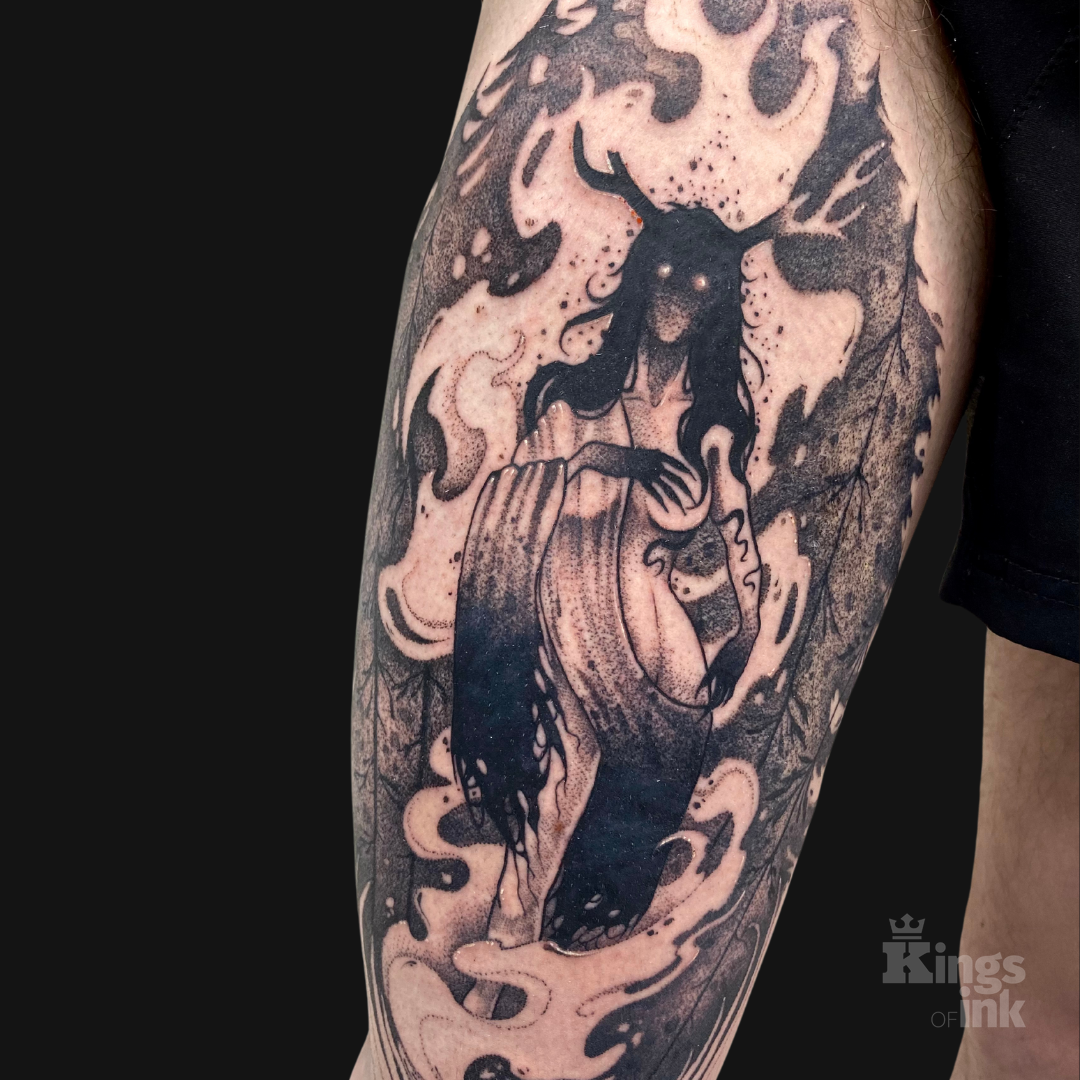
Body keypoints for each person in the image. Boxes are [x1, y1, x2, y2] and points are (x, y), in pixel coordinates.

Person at [352, 2, 1078, 1078]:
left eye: (703, 280)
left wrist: (718, 598)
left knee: (1048, 1014)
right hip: (556, 631)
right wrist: (610, 469)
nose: (681, 293)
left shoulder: (719, 439)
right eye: (669, 272)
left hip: (655, 668)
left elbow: (734, 580)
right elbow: (514, 500)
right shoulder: (568, 399)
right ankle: (506, 945)